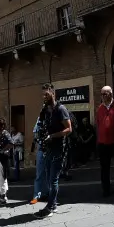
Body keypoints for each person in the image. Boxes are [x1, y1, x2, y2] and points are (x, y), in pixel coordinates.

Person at [35, 83, 72, 218]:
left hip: (58, 148)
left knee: (53, 179)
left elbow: (69, 129)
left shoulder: (61, 109)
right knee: (48, 178)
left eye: (46, 94)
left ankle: (50, 207)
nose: (44, 97)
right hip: (48, 148)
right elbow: (42, 126)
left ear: (53, 93)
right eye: (43, 94)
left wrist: (52, 136)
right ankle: (54, 204)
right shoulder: (45, 110)